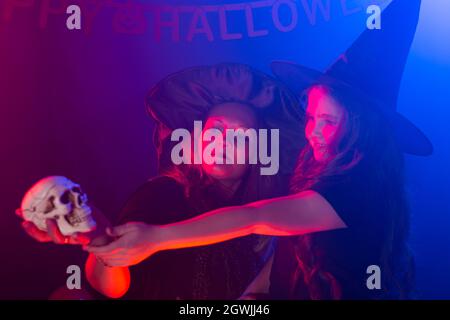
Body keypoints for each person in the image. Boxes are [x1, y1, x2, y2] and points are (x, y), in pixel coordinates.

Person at [84, 0, 433, 299]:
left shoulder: (357, 188)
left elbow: (256, 218)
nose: (314, 133)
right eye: (311, 118)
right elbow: (265, 283)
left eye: (328, 120)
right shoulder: (163, 193)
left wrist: (156, 238)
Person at [20, 63, 304, 299]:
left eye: (241, 136)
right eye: (215, 130)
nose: (224, 142)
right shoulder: (162, 195)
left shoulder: (270, 213)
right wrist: (96, 235)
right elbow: (108, 287)